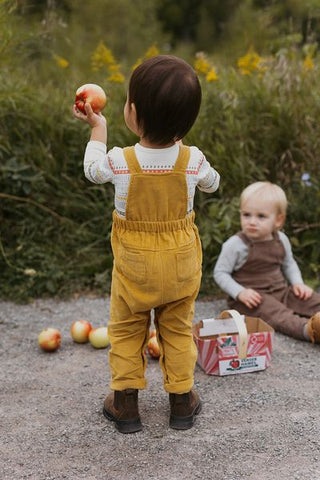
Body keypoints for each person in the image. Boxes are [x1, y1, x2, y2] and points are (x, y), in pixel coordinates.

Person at [73, 55, 220, 433]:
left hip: (134, 266)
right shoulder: (193, 160)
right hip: (181, 263)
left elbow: (92, 171)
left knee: (125, 330)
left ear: (133, 114)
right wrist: (184, 148)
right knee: (176, 328)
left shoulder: (121, 161)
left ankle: (125, 405)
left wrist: (98, 129)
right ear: (187, 121)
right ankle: (182, 401)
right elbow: (213, 183)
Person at [213, 181, 320, 343]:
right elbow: (220, 273)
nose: (252, 221)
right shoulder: (236, 244)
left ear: (278, 220)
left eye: (261, 216)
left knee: (308, 298)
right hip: (252, 299)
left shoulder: (281, 239)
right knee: (278, 315)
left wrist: (298, 283)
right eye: (246, 215)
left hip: (281, 291)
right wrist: (240, 292)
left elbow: (289, 264)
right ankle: (309, 330)